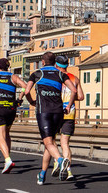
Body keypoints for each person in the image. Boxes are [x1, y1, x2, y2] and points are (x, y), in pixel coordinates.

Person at [19, 52, 77, 185]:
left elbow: (26, 91)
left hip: (43, 112)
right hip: (58, 112)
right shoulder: (61, 74)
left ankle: (61, 161)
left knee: (48, 143)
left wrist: (32, 101)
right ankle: (42, 174)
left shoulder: (37, 73)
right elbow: (73, 90)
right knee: (49, 144)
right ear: (54, 62)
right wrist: (68, 106)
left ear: (43, 62)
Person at [51, 55, 84, 181]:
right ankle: (68, 170)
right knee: (65, 143)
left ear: (56, 65)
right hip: (70, 113)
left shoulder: (55, 78)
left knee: (52, 141)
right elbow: (80, 96)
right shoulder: (74, 78)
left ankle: (57, 161)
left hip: (56, 112)